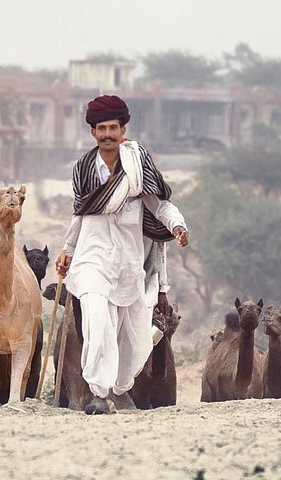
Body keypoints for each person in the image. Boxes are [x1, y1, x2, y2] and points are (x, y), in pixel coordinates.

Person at [56, 94, 189, 415]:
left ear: (123, 128)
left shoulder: (137, 164)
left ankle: (121, 388)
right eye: (100, 129)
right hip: (91, 258)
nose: (107, 135)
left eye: (112, 128)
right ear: (93, 132)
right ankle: (99, 394)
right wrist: (67, 250)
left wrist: (177, 224)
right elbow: (80, 215)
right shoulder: (84, 169)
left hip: (128, 262)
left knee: (133, 338)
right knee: (97, 321)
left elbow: (159, 204)